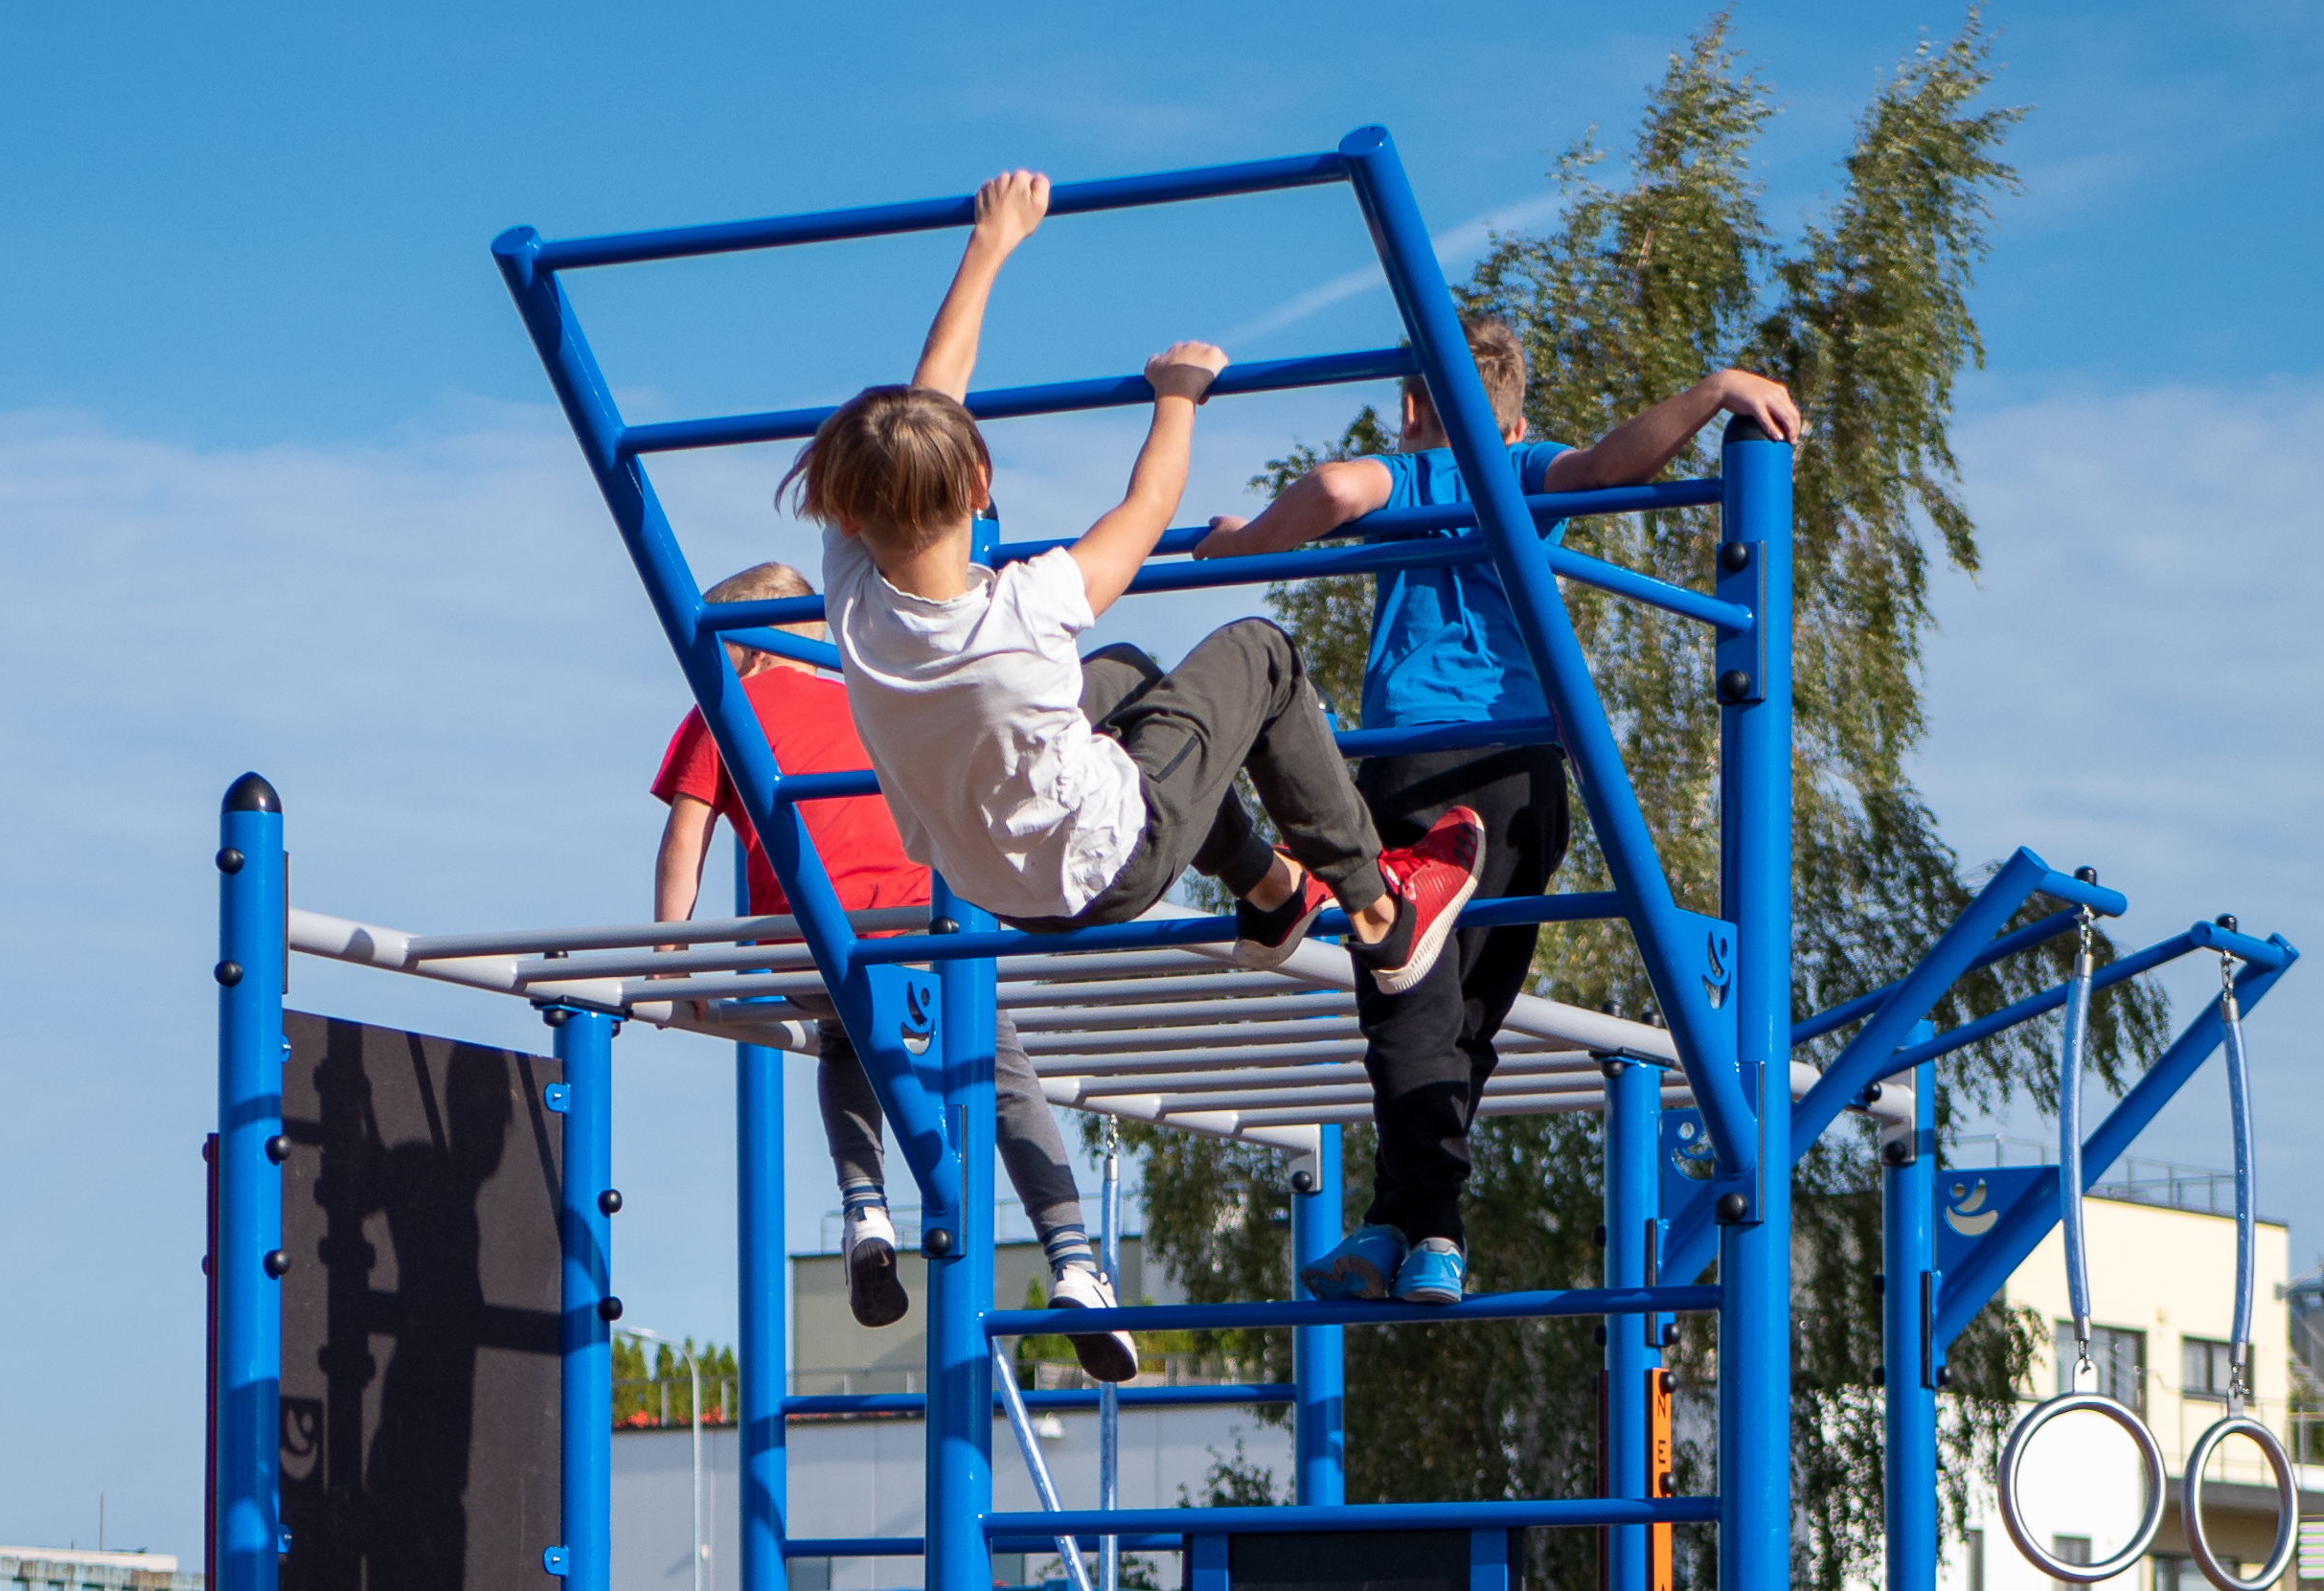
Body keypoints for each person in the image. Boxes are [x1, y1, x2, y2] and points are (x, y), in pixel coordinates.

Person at [788, 170, 1488, 1054]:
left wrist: (992, 241)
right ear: (980, 483)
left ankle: (1270, 893)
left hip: (999, 889)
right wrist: (1177, 393)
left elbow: (931, 400)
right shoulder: (1028, 607)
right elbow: (1148, 507)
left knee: (1121, 674)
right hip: (1114, 860)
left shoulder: (851, 598)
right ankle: (1381, 908)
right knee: (1259, 653)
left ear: (844, 515)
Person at [1196, 324, 1806, 1303]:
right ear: (1515, 418)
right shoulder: (1520, 468)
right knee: (1464, 1013)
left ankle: (1426, 1224)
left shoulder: (1421, 474)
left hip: (1414, 766)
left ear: (1409, 410)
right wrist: (1714, 391)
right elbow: (1612, 461)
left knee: (1406, 995)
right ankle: (1406, 1225)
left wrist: (1239, 546)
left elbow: (1337, 492)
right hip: (1526, 777)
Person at [653, 560, 1135, 1379]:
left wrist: (671, 956)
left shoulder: (725, 711)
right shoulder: (870, 701)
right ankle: (1074, 1261)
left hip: (804, 937)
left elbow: (685, 838)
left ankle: (865, 1210)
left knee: (846, 1036)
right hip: (921, 921)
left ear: (737, 651)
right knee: (996, 1068)